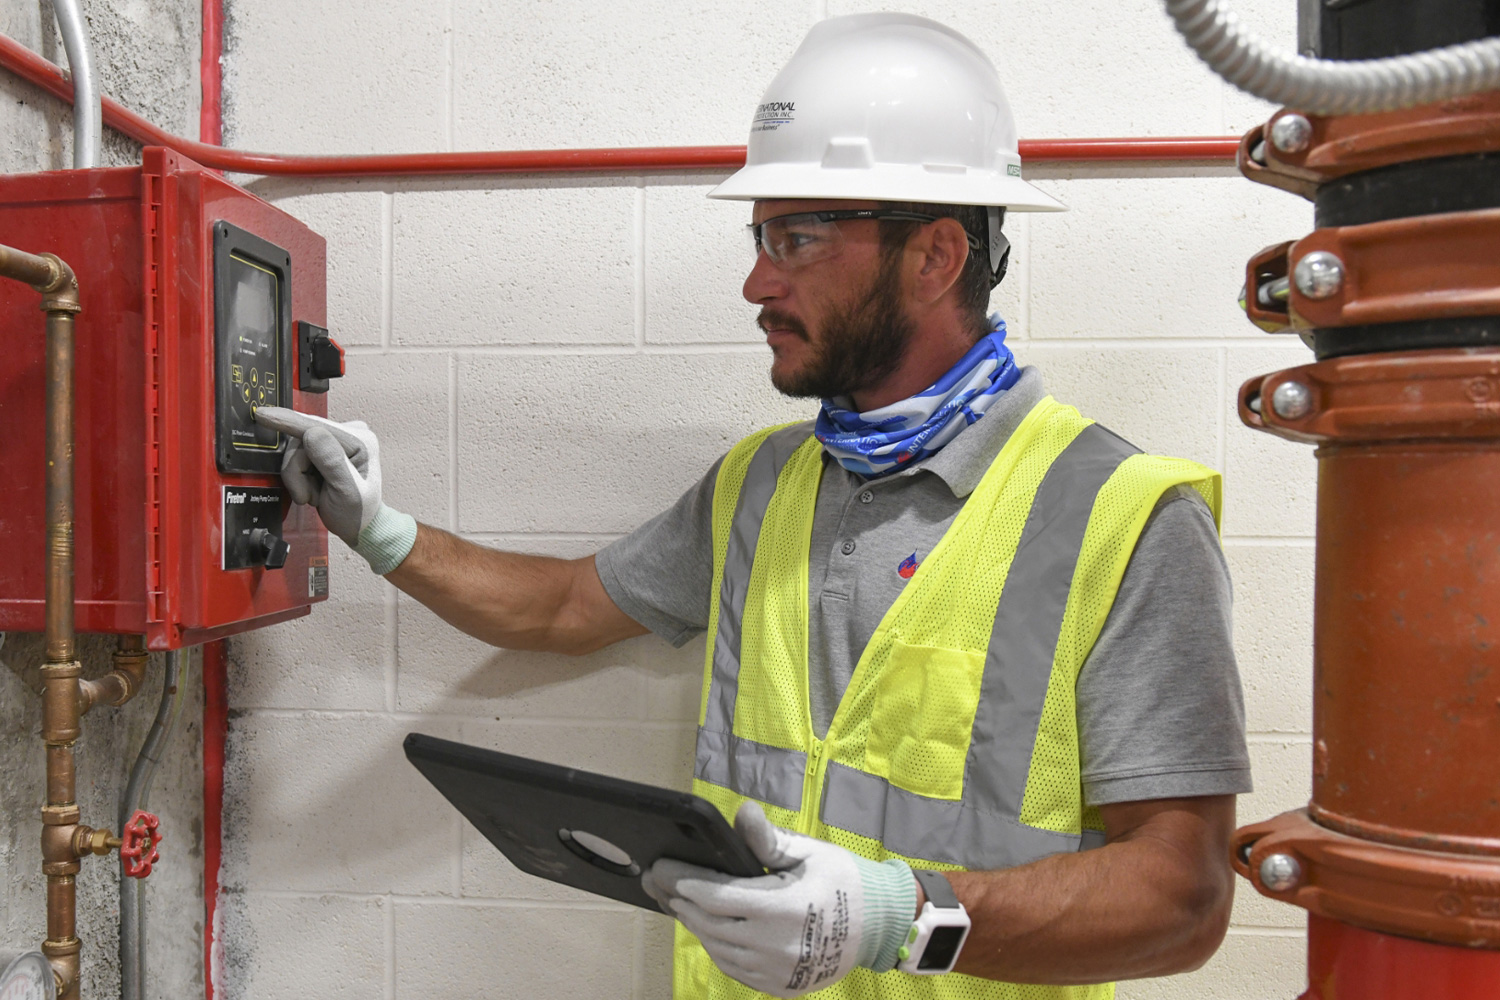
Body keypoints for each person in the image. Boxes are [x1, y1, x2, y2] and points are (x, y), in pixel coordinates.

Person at [257, 12, 1250, 1000]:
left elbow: (1183, 900)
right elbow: (560, 609)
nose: (756, 281)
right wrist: (377, 528)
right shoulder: (763, 485)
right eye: (762, 235)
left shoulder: (1123, 517)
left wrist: (886, 916)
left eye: (799, 237)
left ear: (937, 257)